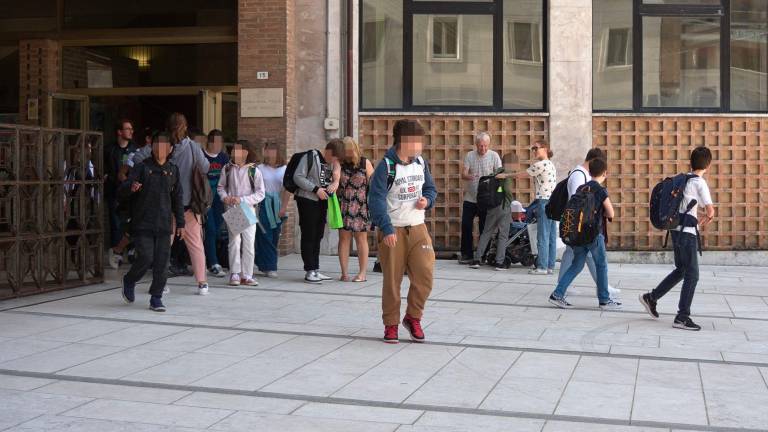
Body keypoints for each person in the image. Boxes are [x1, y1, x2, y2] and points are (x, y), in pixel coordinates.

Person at [369, 119, 438, 344]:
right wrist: (386, 228)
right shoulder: (386, 167)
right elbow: (376, 199)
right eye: (416, 141)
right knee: (392, 281)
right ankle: (391, 324)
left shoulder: (420, 162)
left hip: (418, 227)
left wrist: (426, 200)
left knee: (425, 276)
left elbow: (430, 188)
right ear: (402, 141)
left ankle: (413, 317)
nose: (419, 146)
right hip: (393, 230)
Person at [131, 113, 211, 295]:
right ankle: (202, 283)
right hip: (189, 204)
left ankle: (162, 283)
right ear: (186, 126)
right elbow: (205, 167)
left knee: (163, 246)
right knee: (196, 244)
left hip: (163, 204)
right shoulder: (193, 147)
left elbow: (137, 158)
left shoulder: (162, 144)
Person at [639, 147, 715, 331]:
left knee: (682, 270)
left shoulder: (683, 180)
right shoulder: (699, 182)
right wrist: (707, 216)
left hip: (675, 230)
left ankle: (652, 297)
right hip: (687, 233)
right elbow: (711, 210)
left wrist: (699, 213)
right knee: (692, 275)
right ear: (708, 165)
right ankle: (682, 317)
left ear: (691, 162)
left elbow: (685, 206)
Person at [120, 133, 184, 312]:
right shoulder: (142, 168)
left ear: (170, 149)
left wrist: (181, 223)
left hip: (164, 223)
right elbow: (123, 190)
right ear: (152, 147)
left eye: (165, 145)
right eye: (157, 144)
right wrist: (131, 188)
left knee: (163, 263)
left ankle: (156, 297)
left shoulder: (173, 170)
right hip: (143, 222)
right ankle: (130, 279)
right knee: (146, 257)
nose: (161, 148)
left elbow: (178, 198)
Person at [548, 158, 622, 310]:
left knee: (577, 264)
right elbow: (611, 212)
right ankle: (604, 300)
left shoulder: (582, 188)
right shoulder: (600, 190)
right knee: (601, 265)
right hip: (594, 234)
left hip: (578, 234)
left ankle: (558, 293)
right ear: (605, 173)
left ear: (589, 171)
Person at [293, 140, 342, 283]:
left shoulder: (332, 163)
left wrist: (335, 182)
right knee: (309, 235)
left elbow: (335, 175)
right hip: (307, 200)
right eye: (335, 157)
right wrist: (316, 189)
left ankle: (315, 269)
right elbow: (298, 177)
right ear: (329, 152)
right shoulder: (311, 156)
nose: (335, 161)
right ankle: (309, 270)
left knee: (318, 235)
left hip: (322, 202)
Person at [218, 142, 266, 287]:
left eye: (237, 149)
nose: (233, 152)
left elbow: (260, 193)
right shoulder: (227, 168)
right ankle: (235, 273)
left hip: (248, 209)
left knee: (249, 243)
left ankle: (247, 275)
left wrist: (243, 200)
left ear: (245, 152)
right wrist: (224, 197)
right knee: (234, 242)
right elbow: (221, 187)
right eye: (233, 149)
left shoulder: (254, 171)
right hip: (233, 208)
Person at [513, 140, 557, 275]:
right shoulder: (551, 164)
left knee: (542, 235)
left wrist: (505, 175)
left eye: (536, 148)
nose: (534, 151)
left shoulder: (540, 164)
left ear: (545, 148)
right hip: (553, 202)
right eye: (533, 148)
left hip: (543, 201)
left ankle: (542, 267)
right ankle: (550, 266)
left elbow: (522, 175)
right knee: (551, 235)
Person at [470, 153, 518, 271]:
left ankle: (477, 259)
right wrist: (511, 200)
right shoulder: (505, 175)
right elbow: (506, 191)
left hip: (491, 207)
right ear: (513, 164)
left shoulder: (495, 172)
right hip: (503, 207)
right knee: (503, 235)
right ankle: (499, 262)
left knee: (486, 233)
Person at [460, 132, 502, 264]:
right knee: (466, 225)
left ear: (489, 145)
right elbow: (464, 173)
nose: (482, 149)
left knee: (485, 227)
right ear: (476, 145)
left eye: (485, 146)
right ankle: (466, 253)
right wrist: (469, 176)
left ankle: (483, 255)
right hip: (471, 197)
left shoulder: (494, 155)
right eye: (480, 146)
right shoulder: (469, 155)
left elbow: (500, 173)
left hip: (486, 198)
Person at [337, 136, 374, 282]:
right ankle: (344, 273)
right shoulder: (339, 163)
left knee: (361, 239)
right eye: (345, 151)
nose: (348, 153)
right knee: (344, 239)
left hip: (361, 206)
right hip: (344, 204)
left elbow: (373, 184)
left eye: (349, 150)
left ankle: (362, 273)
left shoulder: (365, 163)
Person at [105, 119, 137, 269]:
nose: (131, 131)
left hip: (130, 193)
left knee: (131, 221)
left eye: (131, 129)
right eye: (127, 128)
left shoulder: (135, 150)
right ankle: (116, 253)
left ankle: (131, 251)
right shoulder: (109, 149)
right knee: (115, 223)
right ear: (119, 132)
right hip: (114, 190)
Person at [256, 141, 290, 278]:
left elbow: (288, 189)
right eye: (266, 150)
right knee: (265, 235)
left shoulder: (284, 169)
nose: (268, 153)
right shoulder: (259, 168)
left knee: (275, 235)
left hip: (277, 204)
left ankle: (264, 263)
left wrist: (284, 207)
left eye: (271, 150)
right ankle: (271, 266)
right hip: (263, 204)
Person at [203, 129, 230, 278]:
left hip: (220, 201)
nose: (219, 145)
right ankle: (213, 263)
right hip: (205, 201)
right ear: (210, 142)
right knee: (211, 230)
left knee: (217, 231)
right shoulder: (201, 156)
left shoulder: (224, 158)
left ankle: (210, 259)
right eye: (217, 142)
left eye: (221, 142)